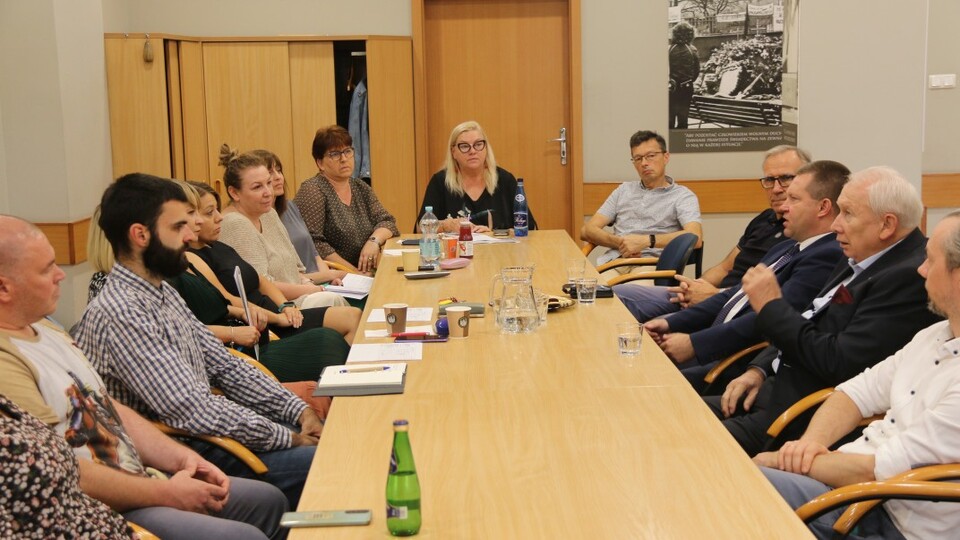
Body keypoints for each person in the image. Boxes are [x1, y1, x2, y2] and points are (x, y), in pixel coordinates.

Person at [0, 215, 286, 539]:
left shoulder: (45, 327)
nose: (60, 274)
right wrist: (166, 493)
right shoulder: (7, 363)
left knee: (268, 501)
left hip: (141, 476)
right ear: (3, 288)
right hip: (98, 507)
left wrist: (184, 459)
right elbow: (62, 470)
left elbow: (108, 407)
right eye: (45, 269)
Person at [73, 173, 322, 510]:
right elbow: (191, 410)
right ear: (140, 235)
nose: (191, 236)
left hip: (207, 436)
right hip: (182, 455)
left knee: (330, 435)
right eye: (178, 227)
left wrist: (299, 411)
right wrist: (287, 436)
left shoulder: (161, 292)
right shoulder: (120, 312)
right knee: (330, 458)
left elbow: (226, 366)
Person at [707, 166, 941, 455]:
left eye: (848, 213)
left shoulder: (907, 278)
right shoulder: (859, 253)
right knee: (669, 411)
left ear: (887, 225)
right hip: (770, 389)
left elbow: (838, 361)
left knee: (682, 436)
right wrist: (759, 369)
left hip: (797, 416)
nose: (836, 225)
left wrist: (771, 306)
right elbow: (810, 317)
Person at [755, 211, 960, 540]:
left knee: (739, 480)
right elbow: (855, 392)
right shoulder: (934, 334)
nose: (921, 270)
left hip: (882, 517)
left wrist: (784, 460)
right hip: (848, 488)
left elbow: (876, 470)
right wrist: (808, 446)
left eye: (930, 261)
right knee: (730, 479)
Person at [644, 160, 848, 388]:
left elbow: (769, 319)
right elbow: (734, 296)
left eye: (794, 199)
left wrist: (694, 344)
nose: (783, 207)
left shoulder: (826, 256)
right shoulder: (786, 247)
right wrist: (668, 323)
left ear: (823, 207)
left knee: (645, 381)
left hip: (734, 362)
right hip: (712, 343)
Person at [171, 180, 350, 382]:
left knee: (342, 326)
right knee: (330, 340)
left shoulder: (209, 251)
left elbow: (252, 285)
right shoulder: (184, 263)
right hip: (244, 345)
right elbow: (197, 320)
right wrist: (244, 328)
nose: (218, 218)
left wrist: (284, 306)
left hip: (261, 324)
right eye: (202, 213)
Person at [614, 145, 810, 322]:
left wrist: (715, 294)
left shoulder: (803, 232)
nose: (776, 189)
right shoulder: (764, 219)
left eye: (785, 178)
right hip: (713, 296)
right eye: (769, 180)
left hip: (736, 307)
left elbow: (777, 297)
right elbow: (725, 267)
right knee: (617, 294)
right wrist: (695, 288)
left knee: (650, 329)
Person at [217, 145, 356, 317]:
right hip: (278, 310)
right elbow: (261, 286)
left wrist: (315, 284)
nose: (268, 192)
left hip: (301, 296)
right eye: (257, 187)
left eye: (268, 183)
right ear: (234, 193)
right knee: (341, 307)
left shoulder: (268, 214)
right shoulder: (234, 224)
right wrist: (314, 290)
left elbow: (295, 272)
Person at [580, 130, 702, 278]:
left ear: (666, 157)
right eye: (638, 158)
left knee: (627, 291)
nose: (644, 163)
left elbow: (695, 237)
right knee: (587, 289)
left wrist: (647, 241)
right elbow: (587, 230)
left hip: (653, 264)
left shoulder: (683, 196)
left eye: (651, 156)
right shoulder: (624, 190)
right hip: (616, 262)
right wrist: (621, 243)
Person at [294, 125, 399, 274]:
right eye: (335, 154)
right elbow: (314, 244)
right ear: (320, 163)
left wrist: (373, 242)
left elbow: (388, 222)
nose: (344, 159)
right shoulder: (313, 190)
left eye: (347, 151)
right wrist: (354, 272)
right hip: (333, 276)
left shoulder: (360, 186)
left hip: (365, 273)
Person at [416, 120, 537, 233]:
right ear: (453, 152)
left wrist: (493, 234)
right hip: (455, 248)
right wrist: (446, 225)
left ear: (486, 148)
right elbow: (420, 228)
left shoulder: (505, 180)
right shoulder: (440, 182)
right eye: (464, 146)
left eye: (478, 144)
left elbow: (530, 228)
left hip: (498, 249)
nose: (472, 151)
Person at [255, 148, 347, 281]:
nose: (278, 177)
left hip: (320, 280)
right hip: (300, 284)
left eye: (279, 171)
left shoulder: (290, 207)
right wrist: (330, 276)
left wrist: (331, 279)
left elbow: (315, 254)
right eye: (270, 173)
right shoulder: (259, 220)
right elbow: (284, 277)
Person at [668, 22, 700, 129]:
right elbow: (696, 71)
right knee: (683, 119)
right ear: (691, 35)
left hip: (671, 88)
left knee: (670, 118)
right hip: (686, 88)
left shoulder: (669, 49)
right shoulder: (692, 50)